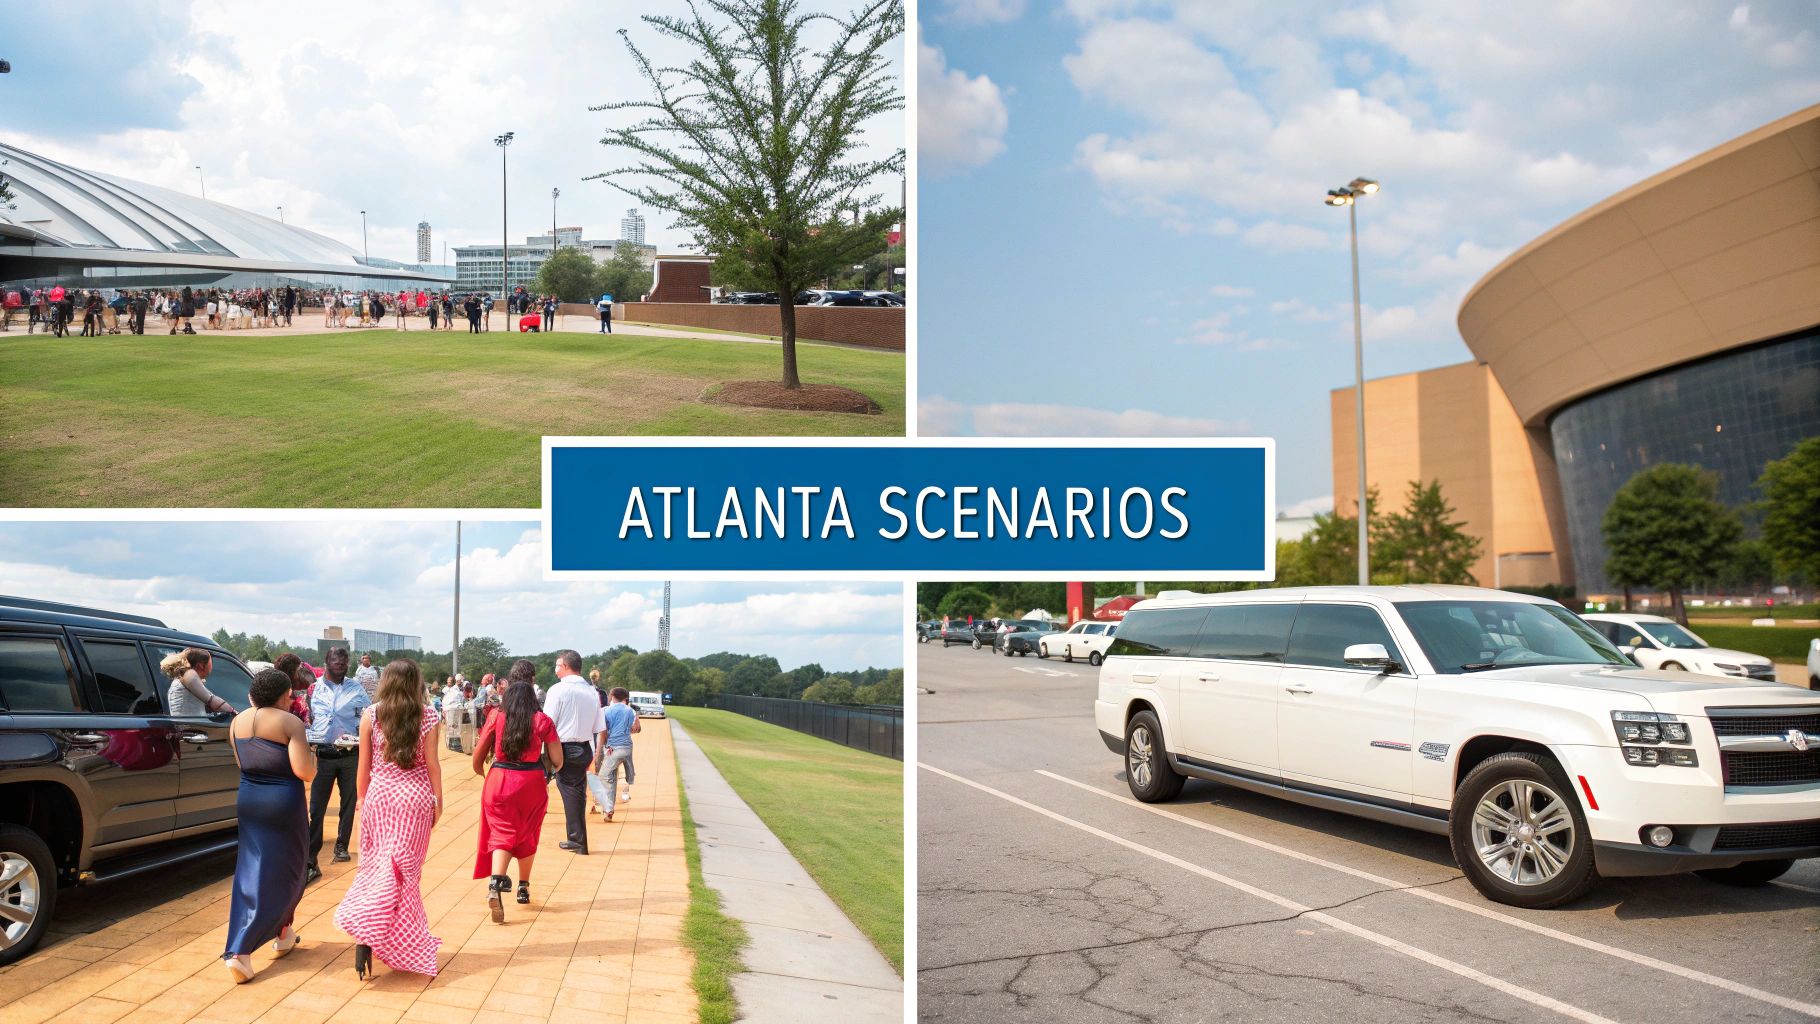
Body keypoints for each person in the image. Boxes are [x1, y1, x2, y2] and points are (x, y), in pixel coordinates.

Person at [334, 659, 443, 979]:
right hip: (415, 800)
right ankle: (398, 941)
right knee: (405, 877)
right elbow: (433, 765)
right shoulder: (429, 715)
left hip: (380, 799)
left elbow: (363, 768)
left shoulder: (371, 715)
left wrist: (362, 803)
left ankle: (366, 937)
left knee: (375, 871)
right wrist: (439, 801)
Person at [221, 669, 315, 984]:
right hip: (283, 803)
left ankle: (284, 931)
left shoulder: (237, 722)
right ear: (282, 695)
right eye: (290, 695)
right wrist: (312, 758)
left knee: (250, 870)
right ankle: (241, 951)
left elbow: (241, 763)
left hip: (249, 800)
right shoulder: (290, 723)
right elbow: (304, 771)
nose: (292, 700)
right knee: (290, 872)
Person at [471, 665, 561, 921]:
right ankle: (523, 886)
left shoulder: (497, 716)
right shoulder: (542, 720)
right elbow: (558, 759)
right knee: (528, 832)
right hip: (531, 782)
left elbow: (478, 756)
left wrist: (482, 771)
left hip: (499, 779)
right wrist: (550, 770)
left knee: (502, 832)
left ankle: (495, 882)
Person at [304, 646, 370, 883]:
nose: (340, 663)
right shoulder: (314, 689)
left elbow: (368, 716)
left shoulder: (356, 689)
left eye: (344, 659)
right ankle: (311, 855)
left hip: (350, 755)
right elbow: (307, 717)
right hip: (323, 755)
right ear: (326, 661)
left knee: (348, 803)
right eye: (335, 658)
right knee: (317, 807)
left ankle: (341, 846)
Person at [542, 651, 597, 854]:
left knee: (571, 791)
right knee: (577, 792)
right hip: (585, 747)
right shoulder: (591, 692)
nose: (555, 670)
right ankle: (578, 840)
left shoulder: (558, 690)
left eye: (557, 665)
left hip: (565, 747)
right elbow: (599, 726)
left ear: (565, 666)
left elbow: (547, 724)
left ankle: (577, 840)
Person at [589, 687, 641, 823]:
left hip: (613, 748)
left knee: (604, 777)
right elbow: (636, 729)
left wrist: (597, 752)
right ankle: (609, 809)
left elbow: (603, 734)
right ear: (625, 698)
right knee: (612, 776)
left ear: (611, 696)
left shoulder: (605, 711)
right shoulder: (631, 711)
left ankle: (609, 808)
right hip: (627, 747)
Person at [162, 648, 234, 716]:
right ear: (201, 665)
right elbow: (212, 701)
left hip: (188, 726)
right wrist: (234, 713)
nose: (211, 668)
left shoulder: (183, 678)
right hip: (191, 727)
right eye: (210, 662)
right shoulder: (189, 674)